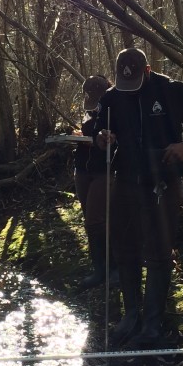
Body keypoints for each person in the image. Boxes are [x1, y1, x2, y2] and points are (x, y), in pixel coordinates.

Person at [92, 47, 183, 347]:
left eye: (134, 80)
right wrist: (101, 137)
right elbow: (97, 128)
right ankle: (131, 314)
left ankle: (153, 323)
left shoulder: (174, 91)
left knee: (159, 250)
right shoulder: (111, 96)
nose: (127, 87)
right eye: (122, 81)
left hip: (163, 181)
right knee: (123, 247)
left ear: (147, 70)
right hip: (125, 179)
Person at [74, 75, 117, 292]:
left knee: (96, 220)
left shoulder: (114, 111)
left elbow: (119, 140)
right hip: (83, 170)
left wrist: (104, 141)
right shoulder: (88, 114)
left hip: (104, 171)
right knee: (90, 219)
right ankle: (99, 267)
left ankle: (111, 268)